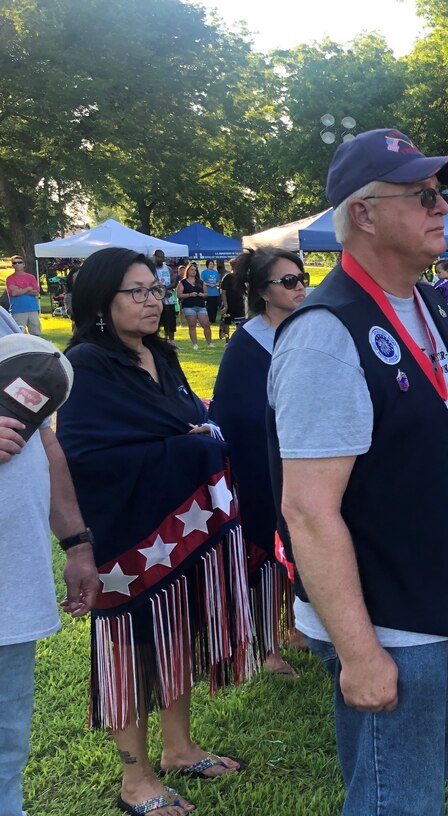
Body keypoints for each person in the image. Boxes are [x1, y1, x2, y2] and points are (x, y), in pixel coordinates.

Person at [267, 127, 448, 816]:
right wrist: (359, 654)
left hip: (438, 599)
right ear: (364, 213)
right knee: (397, 800)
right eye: (423, 195)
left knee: (424, 775)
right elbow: (308, 510)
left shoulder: (429, 302)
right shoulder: (325, 333)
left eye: (440, 193)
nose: (442, 207)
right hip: (390, 619)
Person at [57, 247, 254, 816]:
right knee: (134, 649)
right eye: (137, 292)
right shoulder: (86, 366)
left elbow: (193, 420)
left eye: (156, 289)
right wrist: (187, 447)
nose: (152, 301)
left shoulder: (160, 354)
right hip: (129, 535)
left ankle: (179, 748)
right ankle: (135, 779)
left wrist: (199, 437)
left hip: (183, 527)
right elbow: (84, 456)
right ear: (101, 302)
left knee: (176, 633)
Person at [0, 318, 100, 816]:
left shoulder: (2, 322)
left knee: (5, 751)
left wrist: (77, 543)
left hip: (10, 585)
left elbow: (45, 441)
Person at [209, 247, 308, 679]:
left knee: (300, 542)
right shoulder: (248, 343)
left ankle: (294, 626)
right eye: (288, 281)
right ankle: (267, 647)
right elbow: (236, 412)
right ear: (263, 293)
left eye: (302, 278)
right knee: (268, 549)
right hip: (260, 462)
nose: (300, 287)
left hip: (300, 458)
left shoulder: (305, 329)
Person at [176, 263, 214, 350]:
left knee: (206, 325)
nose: (193, 272)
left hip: (200, 305)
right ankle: (195, 344)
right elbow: (179, 295)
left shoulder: (200, 282)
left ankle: (210, 343)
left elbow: (206, 294)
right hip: (188, 306)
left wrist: (202, 294)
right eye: (192, 270)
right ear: (188, 271)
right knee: (192, 325)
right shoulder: (183, 282)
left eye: (195, 270)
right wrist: (189, 295)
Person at [5, 256, 42, 335]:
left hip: (33, 309)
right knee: (19, 333)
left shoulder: (31, 277)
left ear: (23, 264)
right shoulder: (10, 278)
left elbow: (36, 292)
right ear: (12, 265)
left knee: (36, 333)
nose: (17, 264)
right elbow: (14, 293)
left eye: (19, 262)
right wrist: (28, 288)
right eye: (15, 263)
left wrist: (19, 289)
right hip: (18, 310)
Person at [151, 250, 178, 347]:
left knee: (170, 321)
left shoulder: (168, 268)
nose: (161, 259)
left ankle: (171, 342)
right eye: (159, 257)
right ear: (154, 257)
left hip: (168, 298)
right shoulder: (151, 269)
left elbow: (174, 282)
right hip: (156, 298)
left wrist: (165, 289)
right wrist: (160, 292)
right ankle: (155, 341)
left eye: (163, 257)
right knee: (156, 321)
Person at [219, 257, 246, 341]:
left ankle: (238, 339)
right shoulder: (227, 277)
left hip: (239, 303)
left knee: (240, 323)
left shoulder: (241, 277)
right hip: (229, 303)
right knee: (227, 323)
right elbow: (223, 293)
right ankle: (227, 340)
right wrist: (225, 306)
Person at [201, 259, 222, 326]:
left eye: (213, 264)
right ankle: (208, 319)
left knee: (214, 307)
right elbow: (202, 281)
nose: (212, 265)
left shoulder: (216, 272)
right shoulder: (204, 272)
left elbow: (219, 282)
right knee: (208, 307)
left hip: (215, 293)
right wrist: (208, 284)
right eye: (210, 264)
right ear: (207, 265)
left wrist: (215, 284)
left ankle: (213, 320)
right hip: (207, 293)